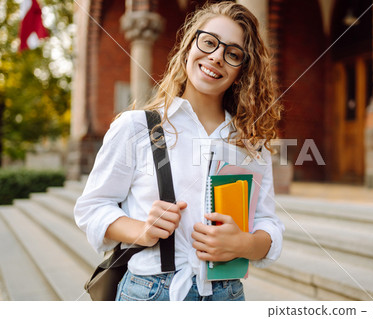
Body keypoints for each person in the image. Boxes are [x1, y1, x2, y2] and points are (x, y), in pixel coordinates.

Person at [74, 1, 284, 301]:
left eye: (233, 53)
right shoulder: (136, 127)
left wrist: (243, 245)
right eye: (209, 42)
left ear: (243, 70)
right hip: (149, 293)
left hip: (227, 295)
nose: (216, 57)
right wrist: (142, 229)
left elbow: (267, 223)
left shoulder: (250, 142)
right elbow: (91, 208)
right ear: (188, 46)